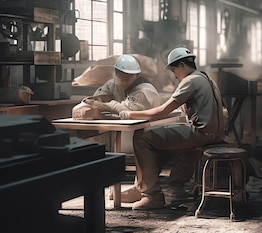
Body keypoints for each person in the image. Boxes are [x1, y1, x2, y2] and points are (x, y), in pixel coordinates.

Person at [113, 46, 225, 210]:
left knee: (142, 137)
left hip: (201, 133)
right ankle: (172, 187)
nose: (174, 75)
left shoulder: (190, 81)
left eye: (174, 70)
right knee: (160, 136)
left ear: (181, 65)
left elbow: (162, 111)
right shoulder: (205, 78)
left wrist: (129, 114)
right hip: (212, 133)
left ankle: (152, 195)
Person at [83, 53, 161, 117]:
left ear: (137, 75)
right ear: (116, 74)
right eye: (122, 78)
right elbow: (98, 98)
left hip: (145, 129)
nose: (124, 83)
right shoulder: (112, 84)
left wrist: (107, 105)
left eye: (129, 79)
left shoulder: (144, 92)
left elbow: (129, 113)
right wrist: (97, 99)